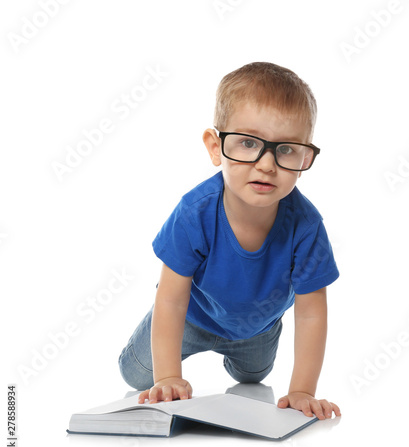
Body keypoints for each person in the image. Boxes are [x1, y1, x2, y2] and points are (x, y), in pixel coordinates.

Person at [118, 62, 341, 420]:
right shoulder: (195, 213)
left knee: (253, 378)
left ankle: (244, 352)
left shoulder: (307, 226)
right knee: (136, 376)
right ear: (215, 147)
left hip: (257, 328)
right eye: (249, 143)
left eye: (286, 150)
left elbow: (312, 311)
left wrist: (302, 390)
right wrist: (169, 377)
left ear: (304, 158)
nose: (266, 164)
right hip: (192, 316)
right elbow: (172, 299)